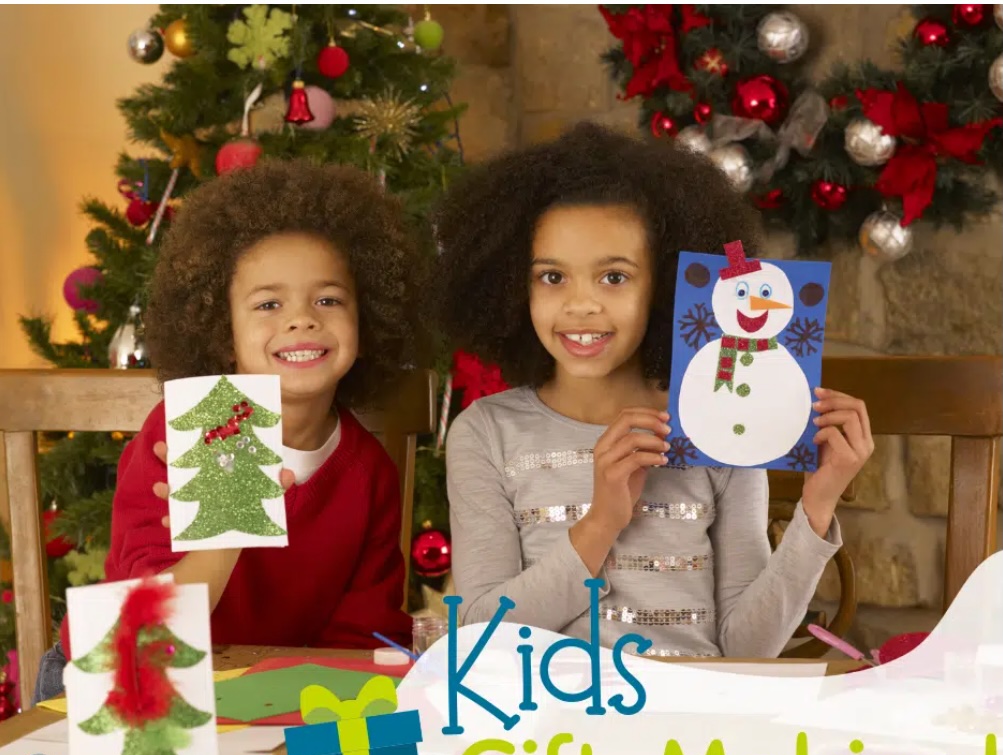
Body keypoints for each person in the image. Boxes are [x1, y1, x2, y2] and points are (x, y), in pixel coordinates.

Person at [434, 122, 873, 659]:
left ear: (663, 285)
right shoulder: (486, 433)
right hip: (551, 733)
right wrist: (601, 523)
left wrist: (818, 506)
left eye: (613, 277)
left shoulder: (717, 422)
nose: (580, 305)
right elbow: (482, 639)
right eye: (552, 277)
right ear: (510, 283)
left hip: (691, 730)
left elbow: (748, 647)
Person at [34, 159, 418, 702]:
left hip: (266, 695)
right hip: (124, 686)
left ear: (367, 317)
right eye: (268, 304)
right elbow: (146, 632)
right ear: (222, 331)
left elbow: (359, 641)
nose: (302, 319)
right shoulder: (193, 429)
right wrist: (230, 524)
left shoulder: (366, 470)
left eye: (328, 299)